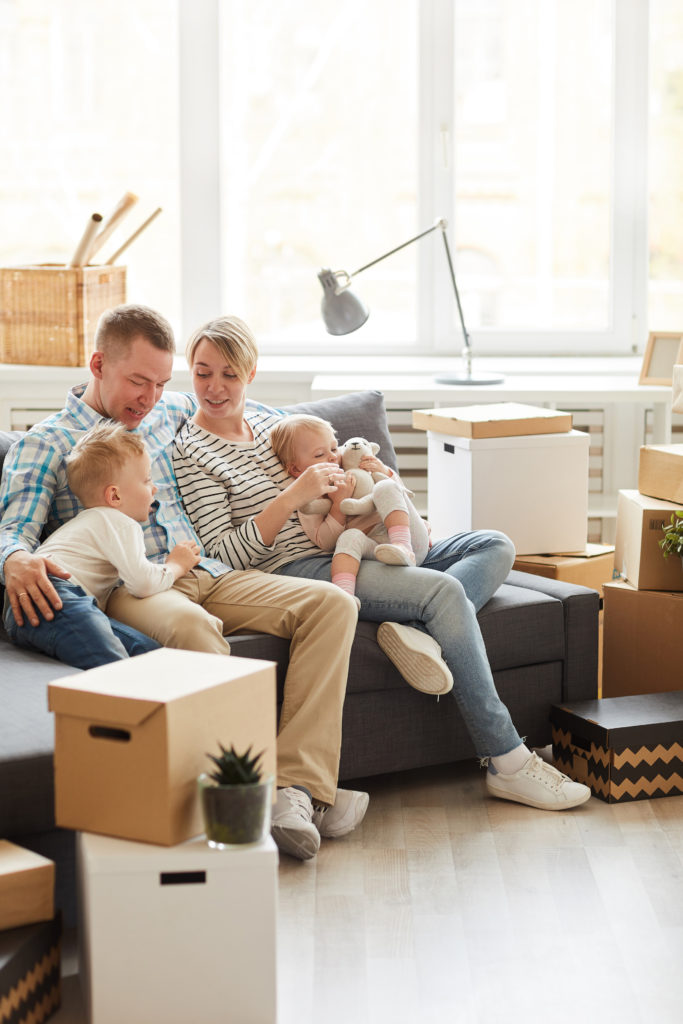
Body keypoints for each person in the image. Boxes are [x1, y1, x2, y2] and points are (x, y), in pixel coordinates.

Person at [172, 314, 591, 812]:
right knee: (444, 592)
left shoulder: (271, 424)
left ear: (251, 373)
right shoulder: (191, 451)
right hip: (301, 566)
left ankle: (419, 632)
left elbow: (340, 461)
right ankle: (508, 760)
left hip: (365, 535)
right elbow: (225, 554)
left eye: (228, 374)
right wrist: (290, 498)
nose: (215, 388)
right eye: (202, 373)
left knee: (495, 544)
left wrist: (383, 483)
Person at [0, 303, 369, 861]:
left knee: (332, 607)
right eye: (137, 381)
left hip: (210, 568)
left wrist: (348, 456)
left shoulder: (169, 409)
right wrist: (12, 560)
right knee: (196, 632)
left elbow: (258, 413)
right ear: (99, 364)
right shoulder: (45, 443)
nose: (148, 397)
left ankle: (295, 791)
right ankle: (235, 804)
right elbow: (13, 531)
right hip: (138, 587)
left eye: (159, 382)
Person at [3, 421, 199, 668]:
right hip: (52, 596)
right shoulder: (120, 523)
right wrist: (175, 566)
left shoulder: (90, 522)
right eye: (147, 480)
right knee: (112, 664)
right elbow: (142, 583)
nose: (154, 488)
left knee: (149, 653)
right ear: (114, 496)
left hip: (36, 607)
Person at [269, 413, 429, 609]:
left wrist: (383, 471)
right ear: (296, 470)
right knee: (349, 537)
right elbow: (325, 542)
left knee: (385, 487)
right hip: (378, 550)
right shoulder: (309, 496)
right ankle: (345, 598)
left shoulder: (348, 460)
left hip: (410, 541)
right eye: (319, 455)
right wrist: (338, 505)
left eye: (334, 447)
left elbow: (400, 492)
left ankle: (402, 545)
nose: (333, 456)